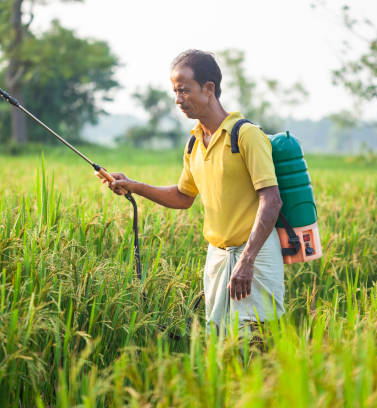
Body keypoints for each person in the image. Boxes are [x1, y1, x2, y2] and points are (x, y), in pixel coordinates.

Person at [105, 49, 285, 333]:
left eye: (184, 90)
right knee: (218, 339)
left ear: (208, 89)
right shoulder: (194, 143)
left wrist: (247, 261)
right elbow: (183, 196)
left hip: (255, 256)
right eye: (175, 92)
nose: (178, 99)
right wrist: (134, 186)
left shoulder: (246, 135)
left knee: (254, 339)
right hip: (218, 257)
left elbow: (271, 200)